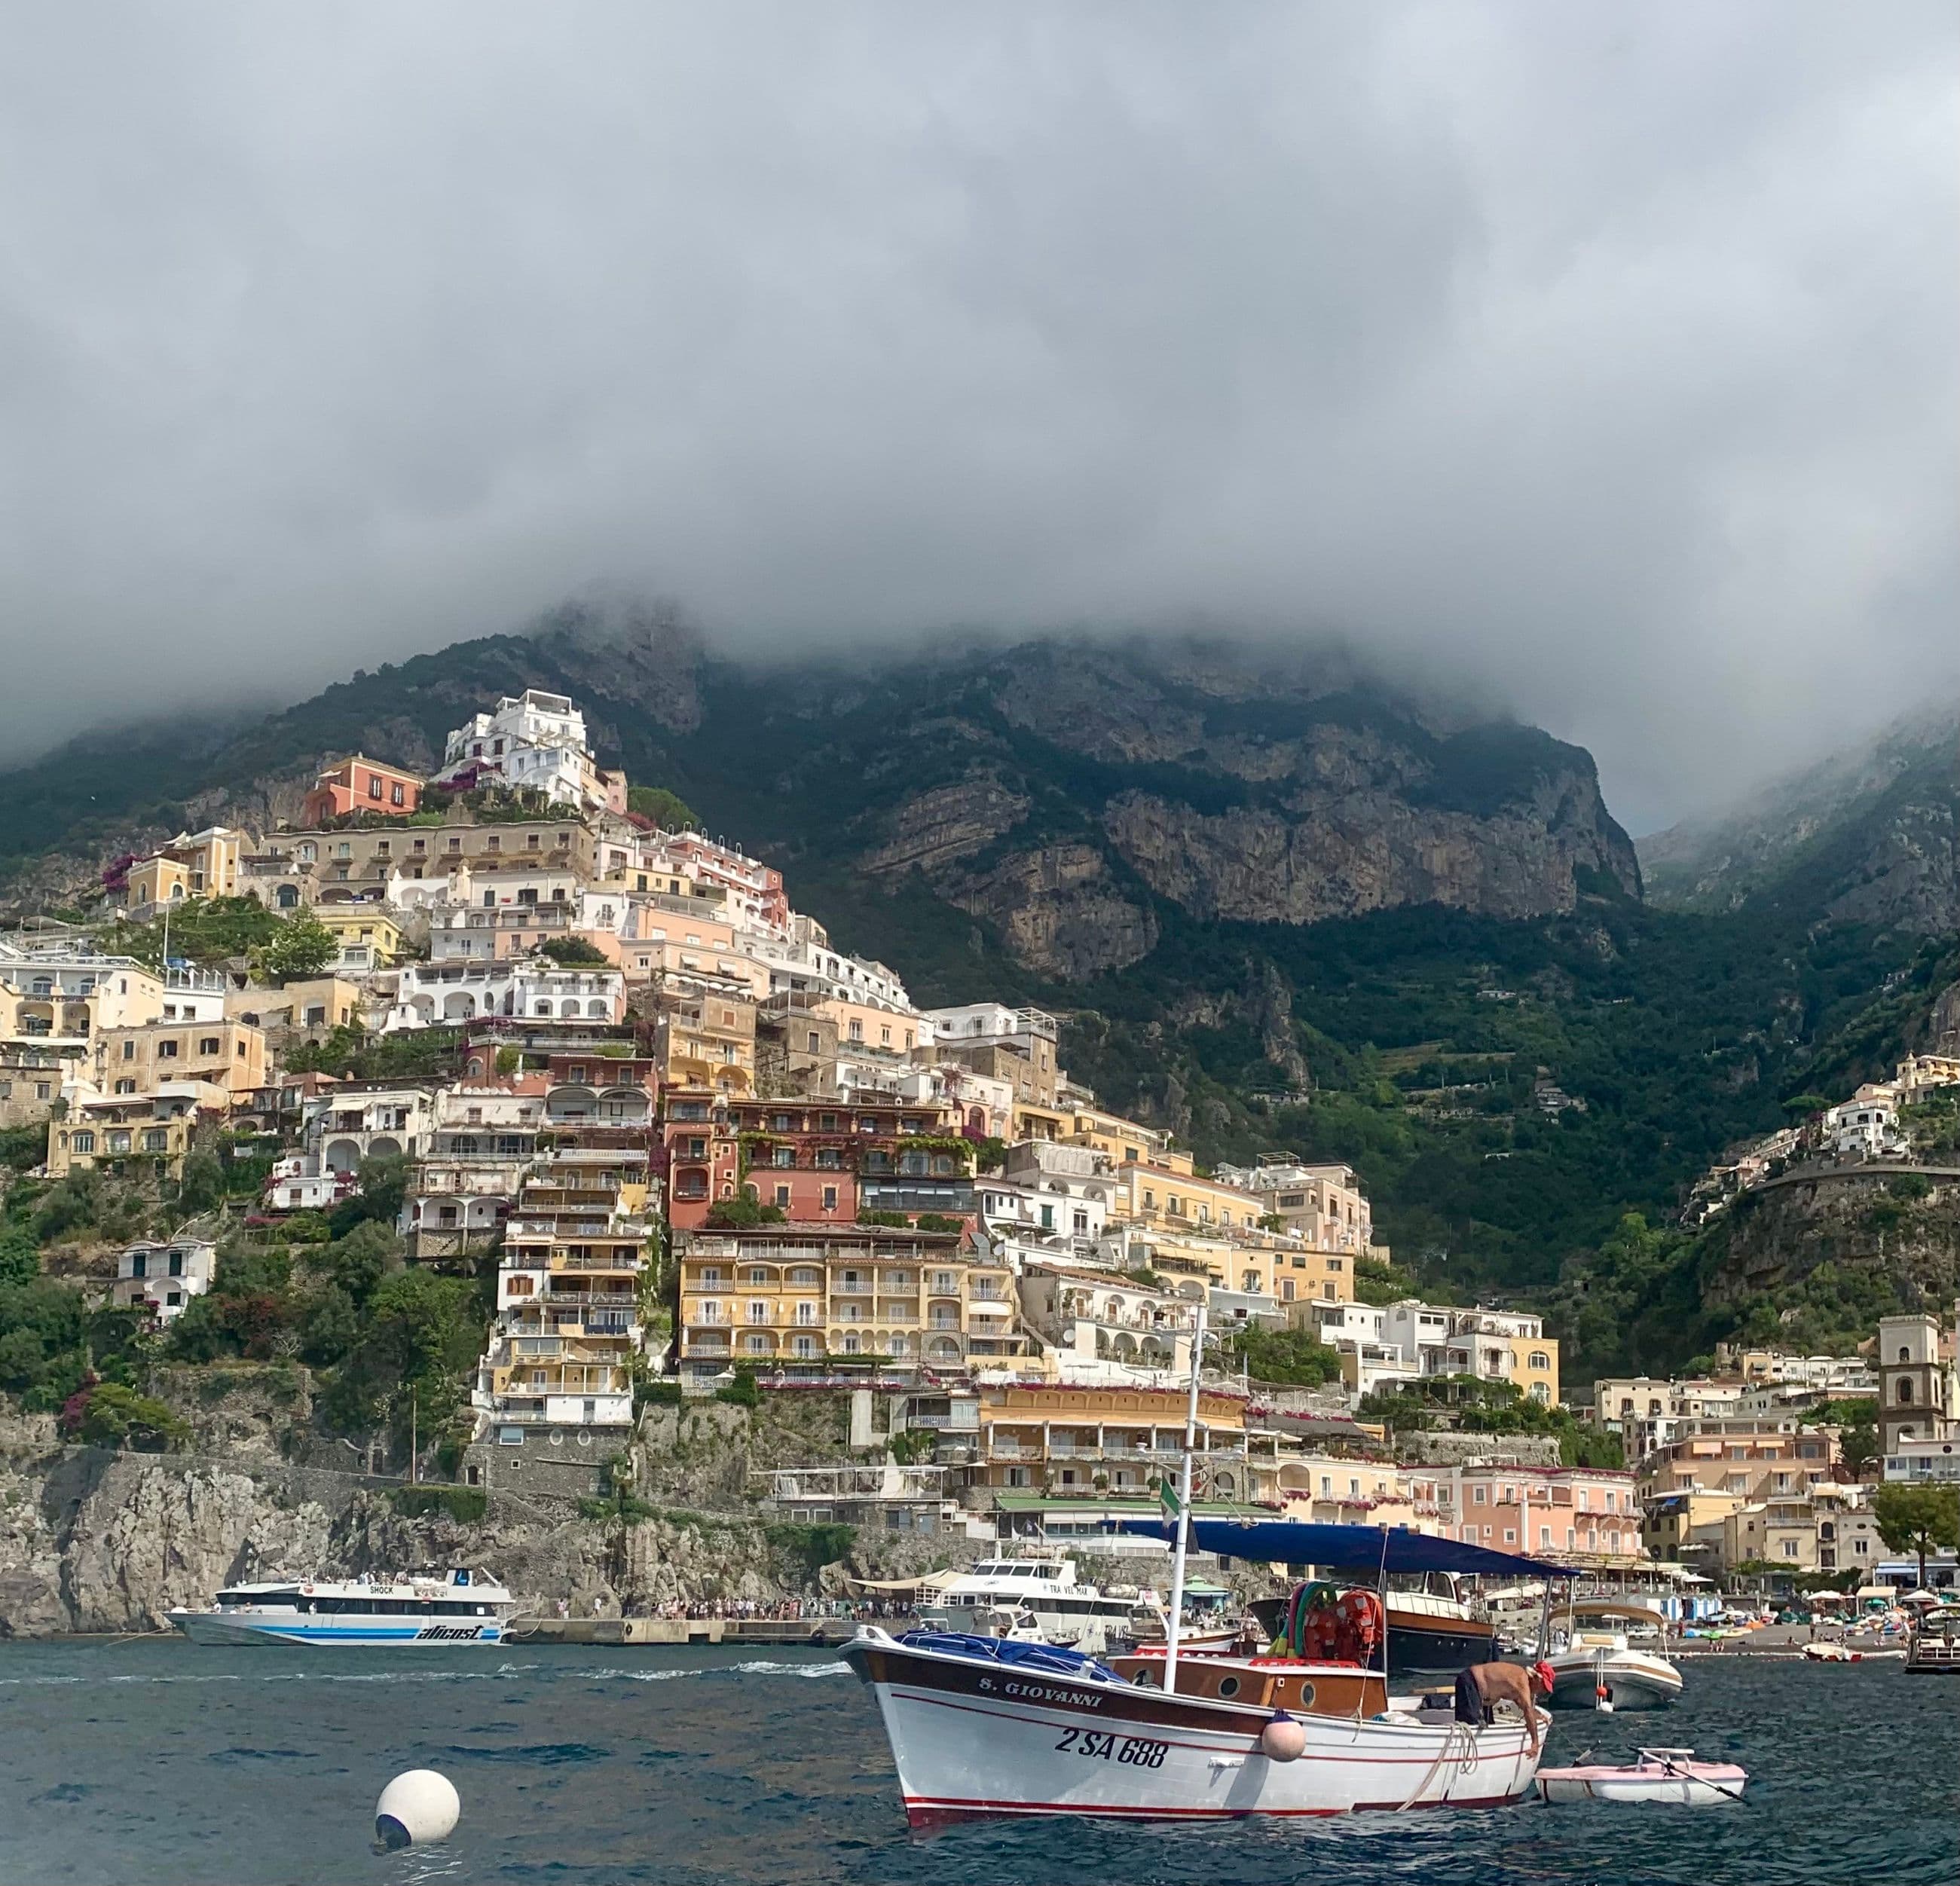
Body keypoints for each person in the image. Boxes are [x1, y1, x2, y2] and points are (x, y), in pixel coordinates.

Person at [1453, 1660, 1555, 1753]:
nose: (1542, 1691)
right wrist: (1535, 1743)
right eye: (1543, 1687)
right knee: (1471, 1728)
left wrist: (1537, 1715)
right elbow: (1527, 1709)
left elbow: (1522, 1704)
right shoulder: (1521, 1679)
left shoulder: (1517, 1683)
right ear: (1537, 1678)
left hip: (1481, 1693)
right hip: (1471, 1682)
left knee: (1489, 1728)